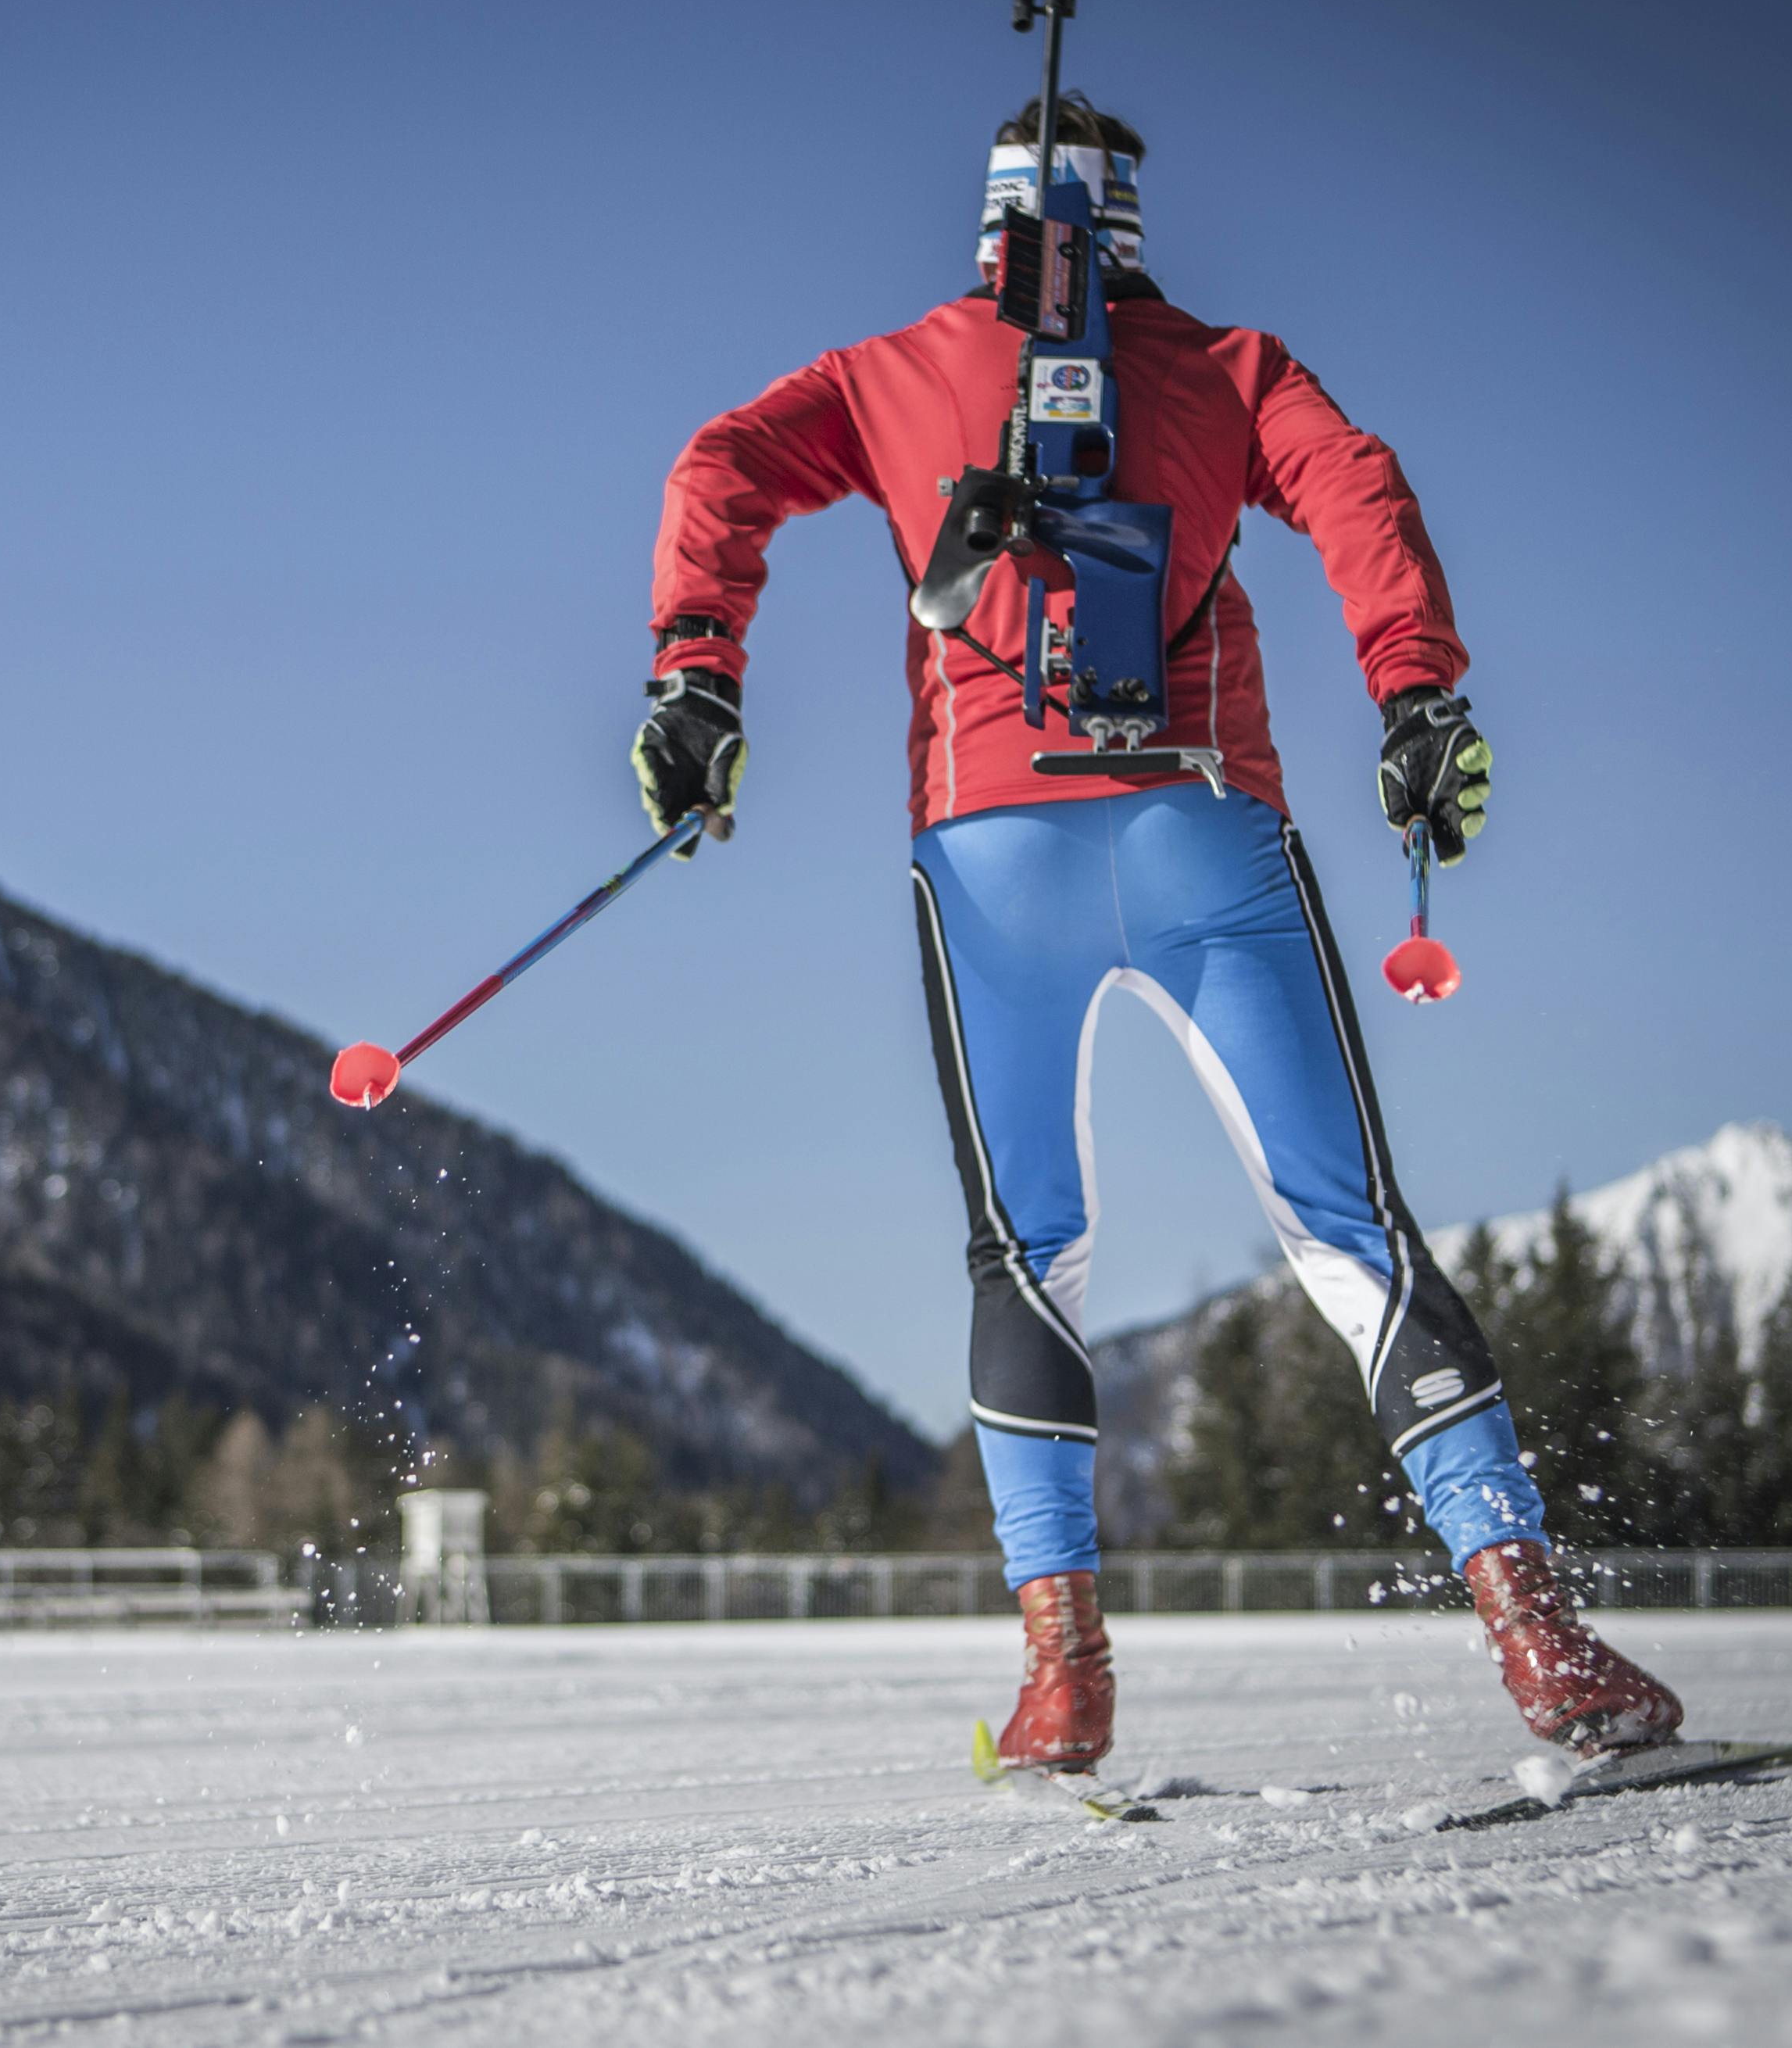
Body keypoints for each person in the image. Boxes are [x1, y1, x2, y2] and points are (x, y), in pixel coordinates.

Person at [628, 91, 1679, 1769]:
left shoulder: (890, 374)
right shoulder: (1224, 364)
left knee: (1021, 1249)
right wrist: (1414, 696)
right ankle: (1537, 1638)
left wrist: (696, 670)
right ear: (1126, 218)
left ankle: (1064, 1676)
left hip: (984, 854)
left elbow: (720, 467)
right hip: (1206, 826)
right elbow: (1359, 496)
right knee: (1352, 1232)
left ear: (990, 222)